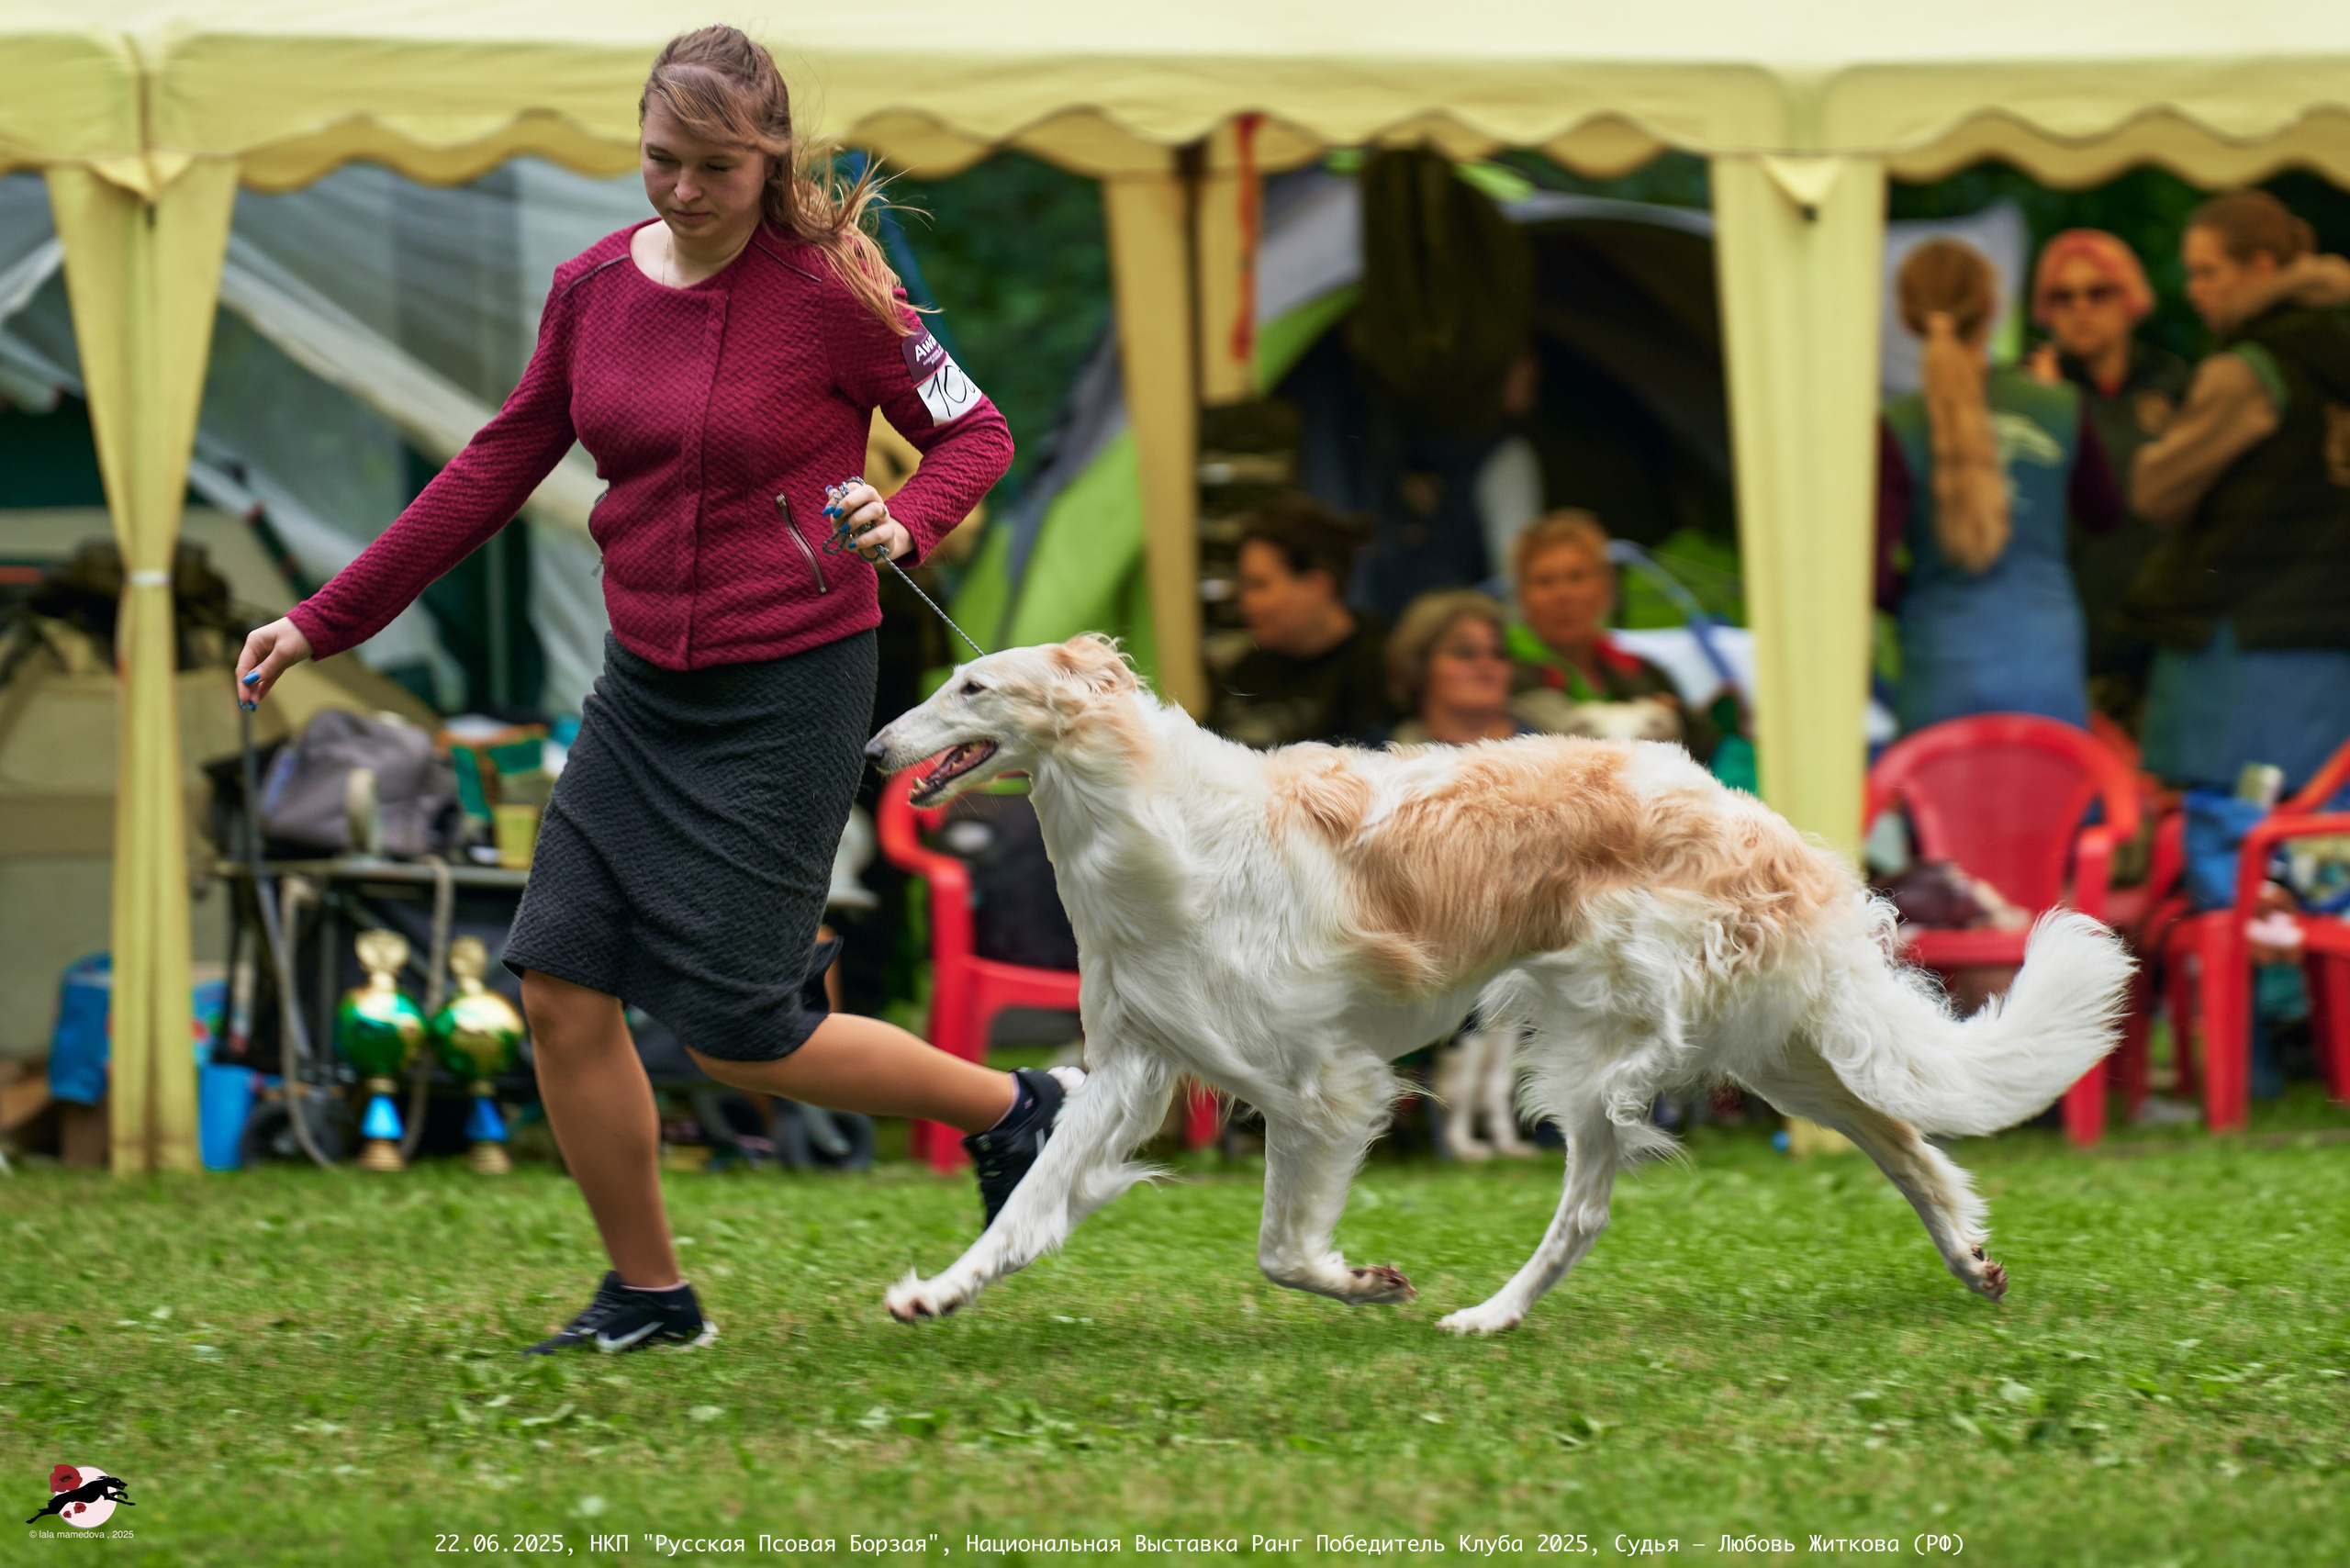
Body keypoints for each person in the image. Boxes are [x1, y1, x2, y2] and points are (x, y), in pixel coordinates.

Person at [233, 27, 1076, 1356]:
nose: (680, 191)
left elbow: (974, 433)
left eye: (714, 170)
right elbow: (491, 469)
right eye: (658, 160)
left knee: (741, 1032)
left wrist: (907, 518)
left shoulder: (835, 296)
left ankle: (1018, 1107)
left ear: (771, 162)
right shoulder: (590, 292)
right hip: (642, 691)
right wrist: (322, 619)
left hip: (791, 685)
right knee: (559, 984)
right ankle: (650, 1295)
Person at [2123, 189, 2350, 793]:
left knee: (2231, 834)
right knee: (2318, 841)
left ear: (2262, 269)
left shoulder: (2246, 372)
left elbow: (2155, 492)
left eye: (2207, 271)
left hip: (2243, 641)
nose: (2195, 288)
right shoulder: (2337, 354)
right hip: (2330, 637)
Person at [1877, 237, 2125, 734]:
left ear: (1908, 317)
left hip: (1943, 665)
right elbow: (2105, 514)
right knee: (2052, 809)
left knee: (1944, 810)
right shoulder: (2062, 408)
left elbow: (1873, 574)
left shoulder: (1896, 425)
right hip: (2047, 660)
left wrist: (1918, 597)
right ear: (1993, 308)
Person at [2024, 230, 2194, 730]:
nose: (2081, 308)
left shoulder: (2174, 383)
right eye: (2063, 296)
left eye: (2098, 293)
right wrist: (2045, 408)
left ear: (2131, 299)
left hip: (2158, 638)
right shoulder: (2028, 389)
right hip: (2066, 635)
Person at [1505, 510, 1718, 762]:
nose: (1562, 594)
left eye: (1577, 577)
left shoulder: (1643, 671)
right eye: (1544, 581)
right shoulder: (1497, 673)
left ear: (1606, 587)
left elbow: (1706, 753)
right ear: (1521, 595)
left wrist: (1681, 718)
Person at [1209, 494, 1394, 748]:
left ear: (1318, 586)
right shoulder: (1249, 667)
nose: (1246, 602)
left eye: (1259, 585)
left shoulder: (1382, 670)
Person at [1384, 589, 1529, 746]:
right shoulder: (1383, 758)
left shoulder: (1551, 729)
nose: (1487, 664)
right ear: (1419, 665)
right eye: (1465, 653)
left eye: (1498, 653)